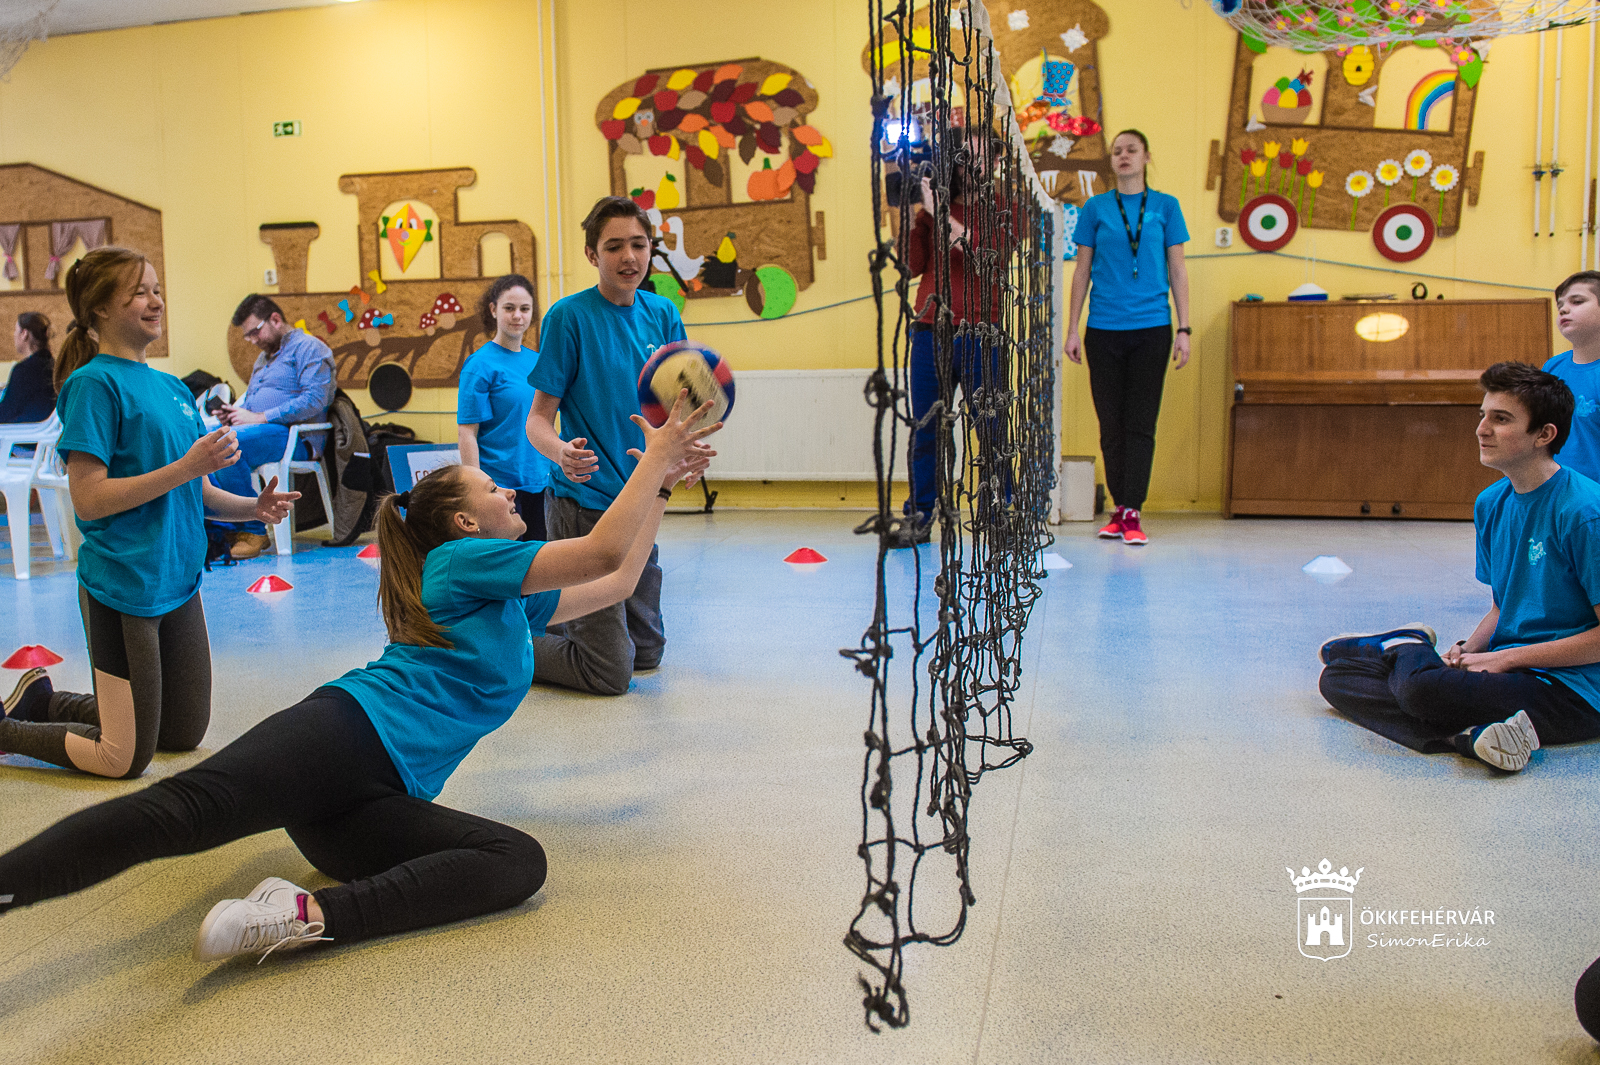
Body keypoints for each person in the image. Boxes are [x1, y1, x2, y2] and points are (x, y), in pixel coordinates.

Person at [0, 393, 716, 964]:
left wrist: (661, 487)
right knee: (180, 814)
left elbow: (619, 577)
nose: (511, 498)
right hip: (340, 736)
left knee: (516, 861)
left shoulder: (504, 593)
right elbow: (597, 552)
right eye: (497, 490)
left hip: (366, 807)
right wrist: (653, 457)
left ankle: (298, 917)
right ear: (467, 521)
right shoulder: (461, 561)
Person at [0, 247, 298, 779]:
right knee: (123, 758)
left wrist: (254, 507)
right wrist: (186, 467)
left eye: (157, 289)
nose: (155, 300)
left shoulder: (171, 387)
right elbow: (89, 498)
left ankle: (43, 700)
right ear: (99, 309)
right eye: (139, 291)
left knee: (181, 733)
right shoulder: (92, 384)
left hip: (176, 579)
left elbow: (197, 488)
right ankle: (8, 730)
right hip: (123, 584)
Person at [1317, 362, 1600, 774]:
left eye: (1500, 419)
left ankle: (1406, 646)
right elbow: (1503, 607)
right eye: (1482, 415)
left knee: (1423, 691)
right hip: (1513, 670)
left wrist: (1507, 660)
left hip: (1575, 689)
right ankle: (1469, 738)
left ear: (1544, 434)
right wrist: (1471, 650)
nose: (1481, 429)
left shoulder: (1584, 512)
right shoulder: (1491, 503)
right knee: (1338, 681)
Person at [524, 196, 686, 696]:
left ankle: (560, 613)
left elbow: (680, 408)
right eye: (614, 246)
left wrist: (687, 452)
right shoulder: (568, 317)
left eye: (638, 244)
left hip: (637, 502)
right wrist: (560, 453)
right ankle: (507, 642)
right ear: (593, 255)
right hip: (583, 506)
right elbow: (537, 421)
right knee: (610, 672)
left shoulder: (662, 313)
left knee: (648, 655)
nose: (629, 257)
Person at [1064, 129, 1191, 547]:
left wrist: (1184, 329)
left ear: (1146, 157)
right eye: (1117, 151)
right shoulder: (1096, 208)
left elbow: (1177, 271)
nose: (1123, 156)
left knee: (1141, 423)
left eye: (1131, 150)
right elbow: (1081, 272)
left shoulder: (1166, 207)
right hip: (1103, 330)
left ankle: (1133, 510)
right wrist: (1072, 329)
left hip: (1152, 329)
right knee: (1111, 425)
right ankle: (1118, 509)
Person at [892, 127, 1011, 549]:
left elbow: (982, 254)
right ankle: (921, 515)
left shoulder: (1004, 206)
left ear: (996, 161)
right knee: (926, 429)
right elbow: (911, 266)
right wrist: (911, 218)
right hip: (929, 331)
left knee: (990, 428)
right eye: (966, 156)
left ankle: (1002, 512)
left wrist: (937, 210)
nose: (974, 163)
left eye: (982, 156)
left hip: (981, 331)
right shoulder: (930, 209)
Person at [209, 294, 335, 559]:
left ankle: (253, 530)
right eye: (248, 336)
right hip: (263, 433)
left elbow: (315, 399)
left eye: (255, 332)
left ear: (275, 320)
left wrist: (260, 417)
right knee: (206, 441)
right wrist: (234, 415)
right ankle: (225, 530)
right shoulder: (263, 359)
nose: (253, 340)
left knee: (227, 443)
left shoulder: (310, 348)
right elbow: (254, 409)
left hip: (294, 437)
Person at [458, 274, 553, 542]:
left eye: (525, 309)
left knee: (542, 567)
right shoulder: (479, 365)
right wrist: (477, 489)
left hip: (542, 484)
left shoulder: (539, 361)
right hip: (500, 486)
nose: (517, 316)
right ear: (493, 310)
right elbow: (467, 433)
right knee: (507, 570)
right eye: (509, 308)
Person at [1542, 271, 1600, 481]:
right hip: (1557, 489)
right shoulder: (1552, 367)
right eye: (1560, 306)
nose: (1564, 309)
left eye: (1577, 301)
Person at [0, 312, 57, 424]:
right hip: (44, 435)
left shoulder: (24, 370)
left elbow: (5, 414)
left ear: (24, 334)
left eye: (16, 330)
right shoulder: (53, 365)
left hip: (23, 435)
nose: (14, 335)